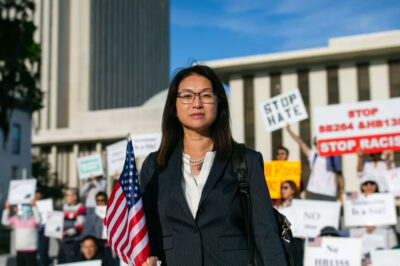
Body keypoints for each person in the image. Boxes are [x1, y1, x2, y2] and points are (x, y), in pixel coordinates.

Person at [139, 65, 287, 266]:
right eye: (187, 96)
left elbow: (266, 233)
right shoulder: (154, 166)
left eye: (206, 95)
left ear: (219, 102)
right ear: (174, 106)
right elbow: (147, 231)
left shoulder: (246, 160)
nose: (197, 103)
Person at [286, 126, 344, 201]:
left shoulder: (332, 157)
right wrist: (289, 130)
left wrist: (342, 193)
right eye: (315, 143)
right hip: (315, 193)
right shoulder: (313, 156)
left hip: (329, 193)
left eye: (319, 142)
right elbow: (300, 142)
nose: (317, 145)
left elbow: (339, 176)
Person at [2, 199, 41, 266]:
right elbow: (4, 222)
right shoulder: (15, 218)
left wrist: (34, 206)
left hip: (31, 248)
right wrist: (7, 209)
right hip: (20, 249)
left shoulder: (33, 218)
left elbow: (38, 220)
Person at [58, 188, 86, 263]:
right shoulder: (64, 207)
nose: (65, 197)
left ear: (74, 197)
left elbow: (79, 226)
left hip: (73, 242)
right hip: (62, 241)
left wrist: (66, 233)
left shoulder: (80, 208)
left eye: (67, 195)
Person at [34, 189, 51, 266]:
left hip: (43, 230)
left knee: (43, 251)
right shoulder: (29, 205)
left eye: (39, 193)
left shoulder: (45, 204)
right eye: (36, 193)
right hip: (33, 231)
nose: (37, 195)